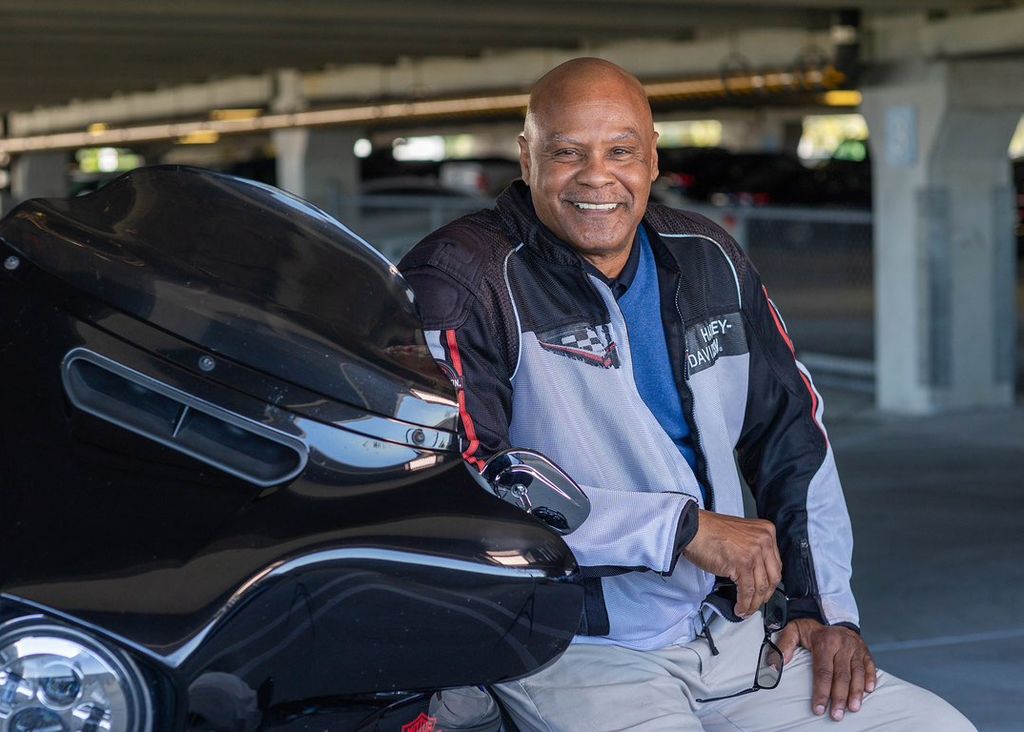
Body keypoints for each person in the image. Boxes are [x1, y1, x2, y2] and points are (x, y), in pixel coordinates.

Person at [398, 58, 975, 732]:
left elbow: (791, 434)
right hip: (575, 649)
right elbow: (456, 487)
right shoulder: (461, 280)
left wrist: (822, 608)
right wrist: (680, 529)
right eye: (566, 153)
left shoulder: (705, 257)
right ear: (527, 158)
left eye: (621, 151)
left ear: (652, 158)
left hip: (728, 636)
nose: (597, 176)